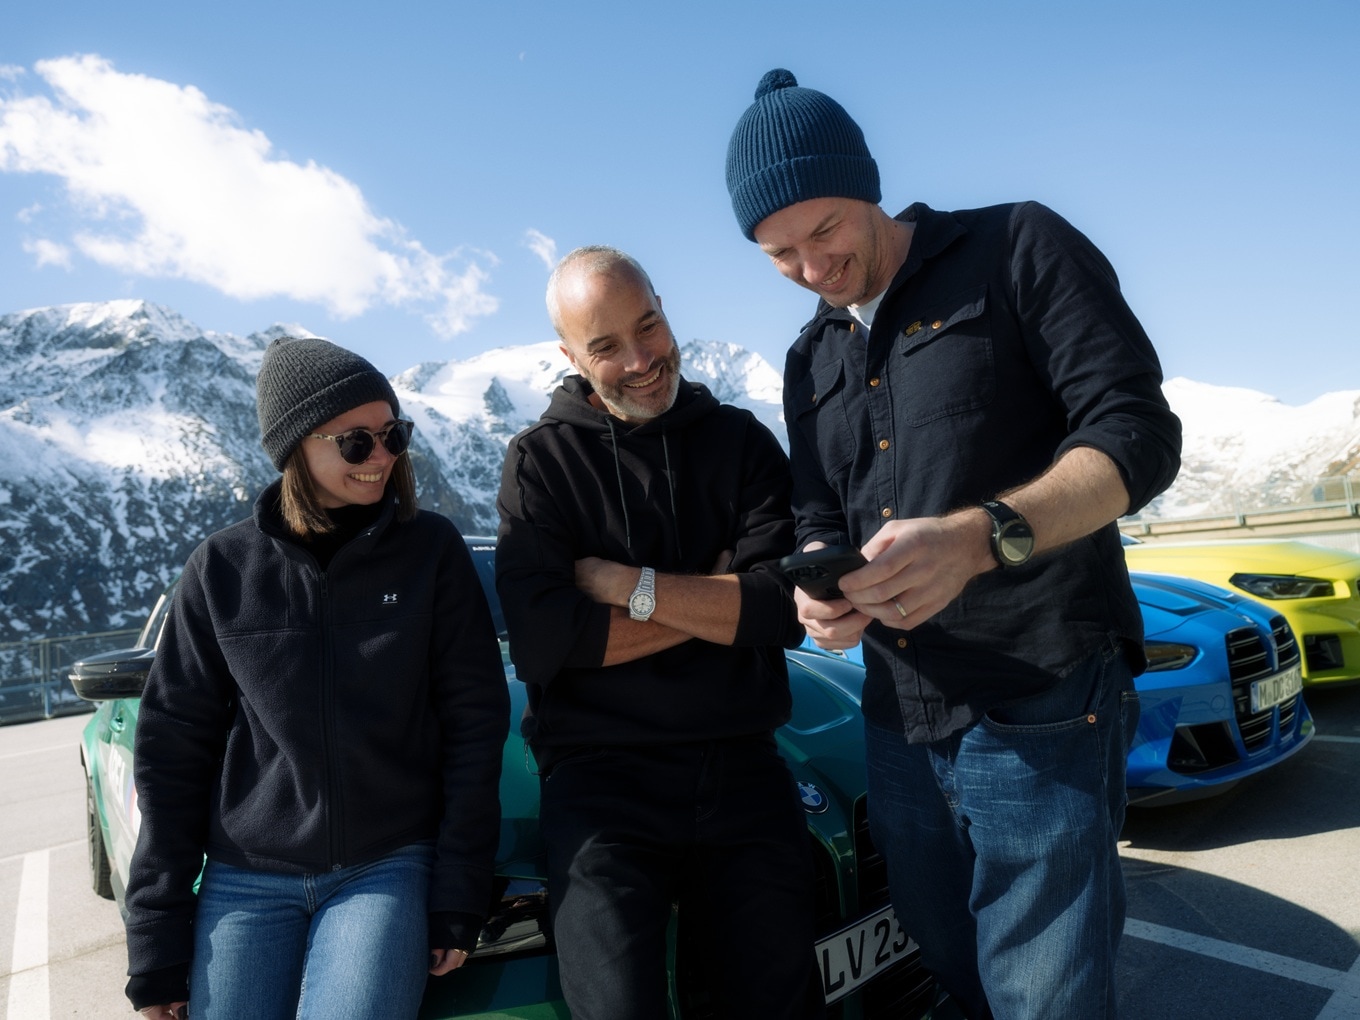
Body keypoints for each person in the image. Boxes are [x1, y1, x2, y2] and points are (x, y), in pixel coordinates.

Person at [725, 70, 1182, 1019]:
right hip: (898, 712)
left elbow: (1137, 433)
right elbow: (818, 511)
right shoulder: (811, 356)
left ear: (870, 184)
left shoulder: (1018, 245)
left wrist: (983, 537)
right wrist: (823, 590)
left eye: (824, 233)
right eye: (777, 254)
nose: (810, 269)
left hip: (1042, 696)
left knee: (1044, 993)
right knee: (948, 957)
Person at [122, 336, 510, 1020]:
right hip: (246, 877)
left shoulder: (432, 553)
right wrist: (156, 936)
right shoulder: (220, 571)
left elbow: (474, 728)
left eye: (394, 434)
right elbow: (172, 752)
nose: (384, 456)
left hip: (386, 865)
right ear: (297, 445)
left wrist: (458, 890)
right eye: (356, 443)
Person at [494, 246, 825, 1020]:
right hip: (601, 786)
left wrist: (625, 588)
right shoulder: (539, 463)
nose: (641, 359)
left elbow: (782, 612)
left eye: (649, 325)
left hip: (743, 768)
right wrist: (715, 603)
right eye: (606, 346)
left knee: (781, 1005)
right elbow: (544, 643)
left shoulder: (741, 443)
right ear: (571, 356)